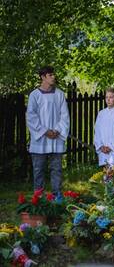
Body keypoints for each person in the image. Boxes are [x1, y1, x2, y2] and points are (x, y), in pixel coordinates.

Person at [26, 66, 70, 194]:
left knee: (56, 170)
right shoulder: (34, 95)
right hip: (40, 139)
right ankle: (38, 199)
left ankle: (57, 197)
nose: (53, 77)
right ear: (43, 77)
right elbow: (31, 116)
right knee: (38, 170)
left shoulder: (60, 94)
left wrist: (56, 130)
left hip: (56, 138)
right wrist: (45, 131)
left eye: (53, 74)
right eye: (50, 75)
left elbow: (65, 115)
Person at [94, 88, 114, 166]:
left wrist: (111, 147)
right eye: (106, 97)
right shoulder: (101, 113)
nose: (108, 100)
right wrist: (100, 146)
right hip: (103, 150)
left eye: (111, 97)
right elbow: (97, 131)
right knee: (105, 173)